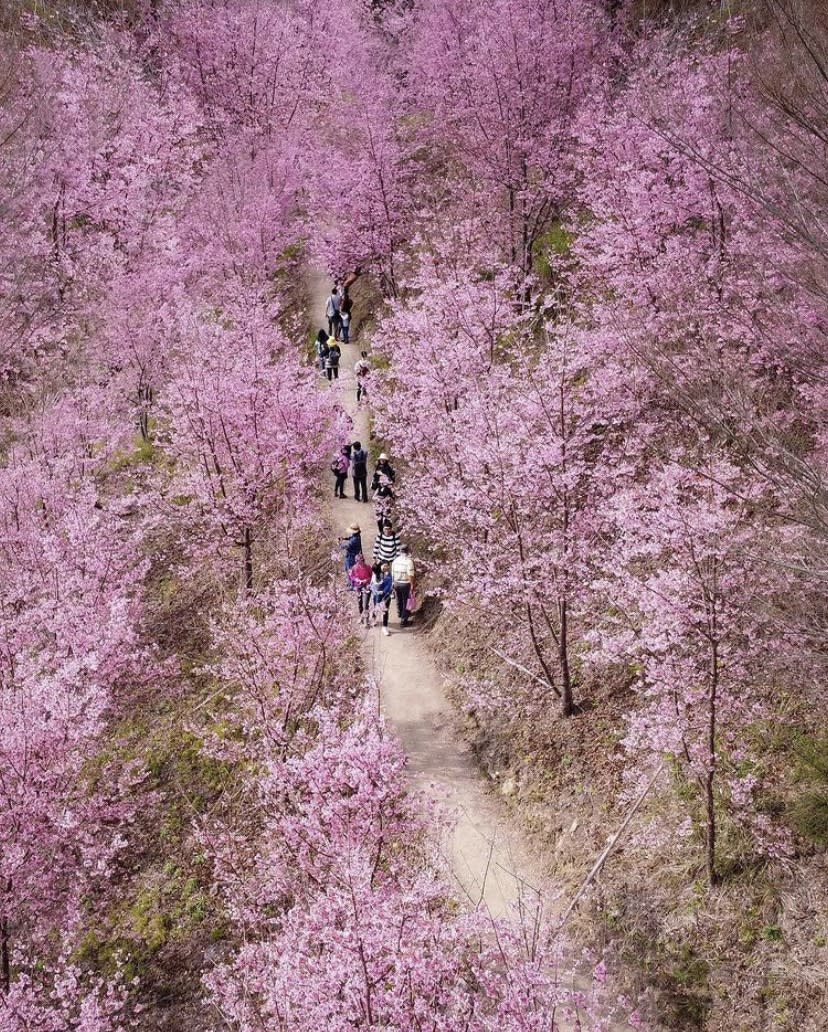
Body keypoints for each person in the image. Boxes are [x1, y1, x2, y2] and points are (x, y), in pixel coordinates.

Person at [391, 544, 416, 627]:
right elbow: (410, 574)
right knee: (406, 601)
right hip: (405, 583)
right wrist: (412, 585)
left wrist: (393, 583)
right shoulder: (409, 561)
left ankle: (400, 613)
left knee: (399, 599)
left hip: (396, 583)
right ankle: (404, 620)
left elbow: (392, 573)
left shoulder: (395, 560)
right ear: (408, 551)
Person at [348, 553, 373, 624]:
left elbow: (372, 577)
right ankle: (361, 617)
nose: (361, 562)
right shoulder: (354, 568)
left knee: (365, 604)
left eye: (362, 560)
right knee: (360, 603)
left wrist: (367, 580)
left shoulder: (368, 567)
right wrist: (357, 580)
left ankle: (366, 620)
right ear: (356, 561)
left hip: (366, 586)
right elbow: (351, 577)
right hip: (358, 587)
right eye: (359, 561)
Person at [370, 561, 393, 635]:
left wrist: (383, 591)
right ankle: (374, 618)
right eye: (384, 566)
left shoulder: (389, 575)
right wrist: (375, 591)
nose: (386, 568)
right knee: (377, 608)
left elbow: (389, 585)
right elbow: (372, 584)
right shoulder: (376, 574)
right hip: (377, 595)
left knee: (385, 611)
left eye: (387, 566)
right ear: (380, 567)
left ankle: (385, 627)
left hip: (386, 595)